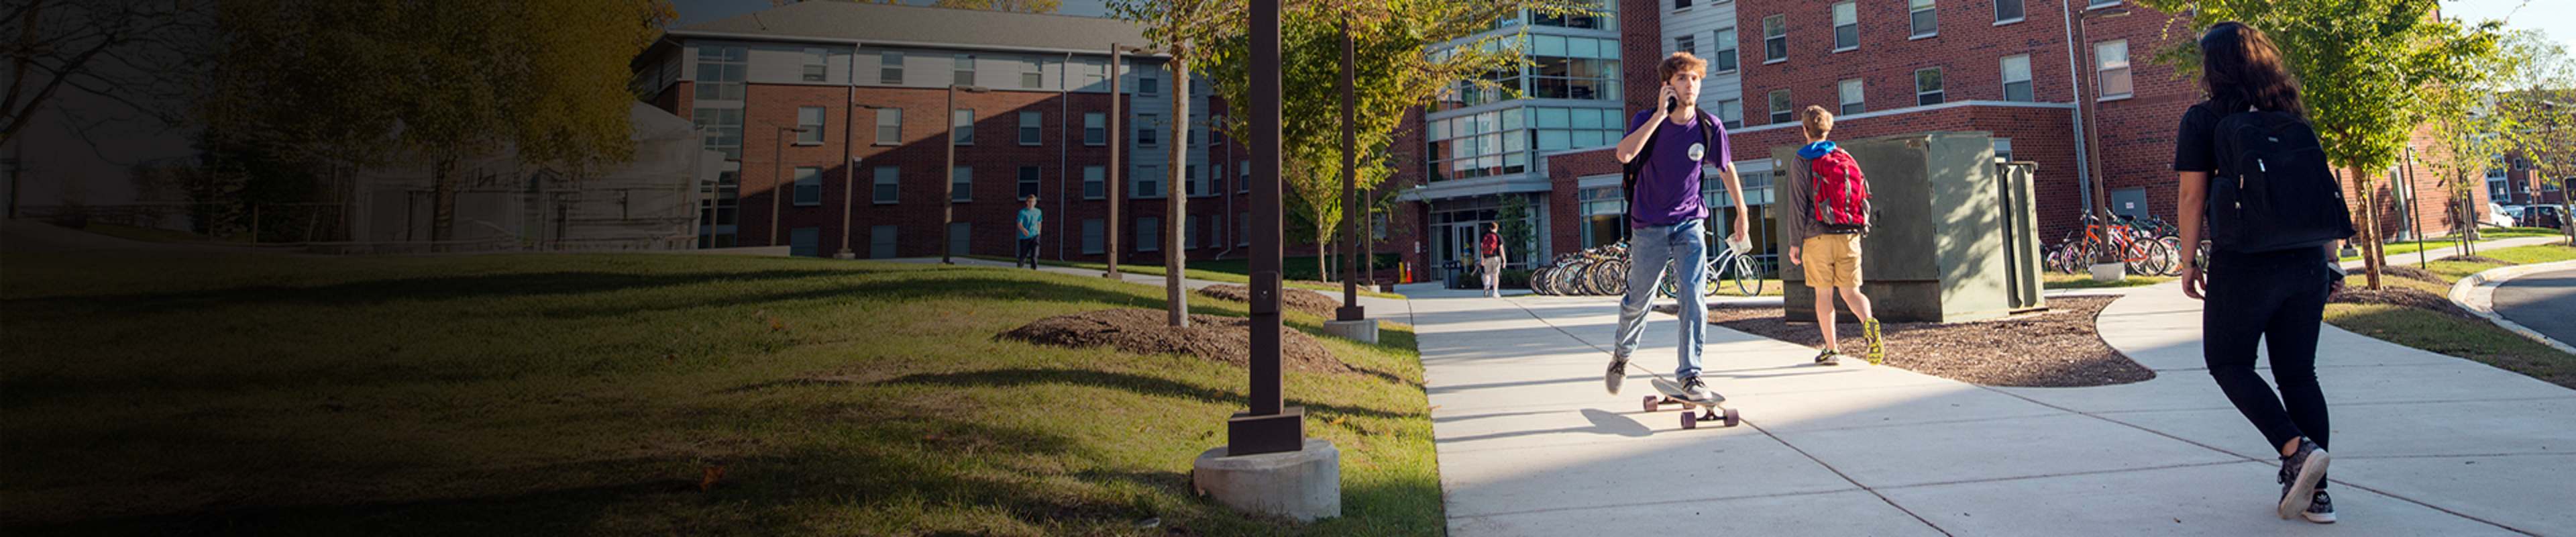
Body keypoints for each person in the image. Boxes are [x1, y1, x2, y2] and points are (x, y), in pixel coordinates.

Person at [2173, 21, 2352, 524]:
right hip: (2305, 260)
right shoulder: (2290, 115)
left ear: (2215, 67)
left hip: (2245, 262)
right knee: (2299, 374)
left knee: (2228, 363)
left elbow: (2192, 196)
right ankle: (2319, 496)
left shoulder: (2203, 119)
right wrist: (2331, 257)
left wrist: (2188, 262)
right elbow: (2317, 190)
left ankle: (2294, 449)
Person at [1603, 52, 1750, 401]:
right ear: (1667, 85)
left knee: (1693, 298)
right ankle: (1622, 356)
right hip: (1649, 224)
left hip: (1689, 224)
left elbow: (1726, 167)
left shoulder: (1709, 126)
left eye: (1695, 79)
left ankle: (1691, 374)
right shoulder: (1645, 120)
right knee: (1639, 299)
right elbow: (1624, 154)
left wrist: (1742, 211)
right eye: (1682, 78)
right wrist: (1658, 115)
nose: (1690, 85)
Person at [1778, 105, 1883, 366]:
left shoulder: (1801, 160)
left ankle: (1832, 349)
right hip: (1849, 234)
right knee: (1852, 291)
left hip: (1817, 237)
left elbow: (1797, 205)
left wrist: (1794, 242)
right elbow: (1862, 195)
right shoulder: (1845, 156)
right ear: (1829, 129)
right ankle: (1869, 323)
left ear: (1805, 130)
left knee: (1824, 295)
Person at [1016, 195, 1042, 270]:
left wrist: (1039, 232)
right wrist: (1024, 230)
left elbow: (1039, 222)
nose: (1031, 203)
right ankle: (1019, 268)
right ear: (1027, 202)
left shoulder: (1038, 212)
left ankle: (1034, 269)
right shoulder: (1022, 212)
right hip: (1025, 236)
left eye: (1033, 202)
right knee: (1023, 254)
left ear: (1035, 203)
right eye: (1030, 202)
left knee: (1035, 254)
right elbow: (1019, 224)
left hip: (1035, 236)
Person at [1481, 222, 1506, 297]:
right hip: (1496, 257)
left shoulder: (1485, 236)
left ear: (1490, 228)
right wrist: (1504, 260)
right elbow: (1501, 249)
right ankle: (1495, 292)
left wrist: (1482, 258)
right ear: (1496, 228)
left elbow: (1482, 249)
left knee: (1487, 274)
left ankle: (1486, 288)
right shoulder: (1498, 236)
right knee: (1495, 275)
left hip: (1486, 257)